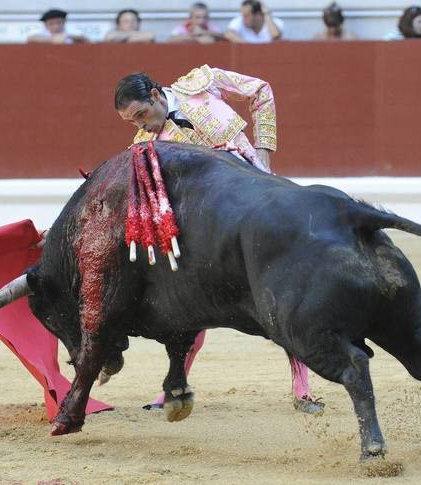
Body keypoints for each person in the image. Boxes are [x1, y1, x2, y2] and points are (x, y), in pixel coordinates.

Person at [113, 65, 324, 414]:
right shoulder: (144, 146)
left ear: (155, 95)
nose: (141, 126)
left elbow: (260, 90)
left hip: (261, 197)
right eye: (132, 122)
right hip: (212, 227)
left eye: (142, 115)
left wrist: (264, 151)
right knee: (190, 306)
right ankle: (175, 388)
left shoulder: (202, 84)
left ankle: (302, 388)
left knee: (280, 292)